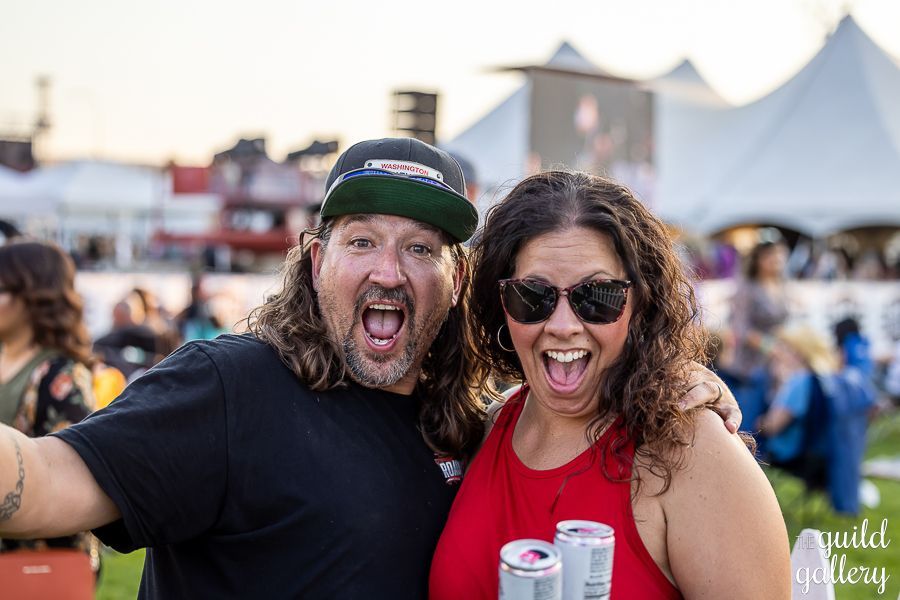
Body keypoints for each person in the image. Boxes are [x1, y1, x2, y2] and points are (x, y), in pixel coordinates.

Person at [0, 139, 736, 599]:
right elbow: (42, 481)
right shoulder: (230, 387)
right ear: (317, 261)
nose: (390, 271)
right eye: (362, 242)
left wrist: (674, 381)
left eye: (421, 249)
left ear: (456, 282)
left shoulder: (473, 431)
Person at [429, 171, 789, 599]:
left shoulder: (694, 452)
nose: (562, 326)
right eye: (532, 296)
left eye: (597, 297)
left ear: (640, 305)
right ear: (501, 304)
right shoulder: (487, 428)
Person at [0, 240, 98, 567]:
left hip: (32, 565)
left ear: (33, 296)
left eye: (2, 288)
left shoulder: (61, 375)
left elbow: (75, 477)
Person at [727, 240, 791, 440]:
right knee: (749, 421)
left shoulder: (780, 285)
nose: (776, 261)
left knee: (771, 417)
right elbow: (741, 328)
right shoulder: (748, 288)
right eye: (770, 256)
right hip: (751, 366)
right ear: (759, 259)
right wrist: (769, 346)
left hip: (777, 365)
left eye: (778, 255)